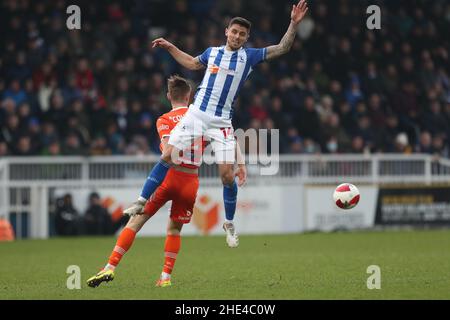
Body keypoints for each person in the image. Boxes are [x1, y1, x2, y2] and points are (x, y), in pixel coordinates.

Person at [123, 1, 309, 247]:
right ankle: (141, 200)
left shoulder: (249, 57)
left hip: (221, 121)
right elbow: (190, 63)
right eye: (234, 31)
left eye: (242, 34)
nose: (237, 36)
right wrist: (169, 46)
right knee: (168, 154)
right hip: (197, 114)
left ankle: (229, 223)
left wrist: (293, 24)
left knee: (225, 175)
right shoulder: (212, 53)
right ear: (227, 32)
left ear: (246, 37)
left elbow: (282, 48)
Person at [87, 75, 246, 288]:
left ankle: (110, 266)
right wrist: (239, 163)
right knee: (173, 230)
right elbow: (229, 138)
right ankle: (165, 277)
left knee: (135, 222)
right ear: (189, 97)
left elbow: (167, 150)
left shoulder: (163, 120)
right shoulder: (202, 118)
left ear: (169, 96)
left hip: (168, 177)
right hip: (190, 181)